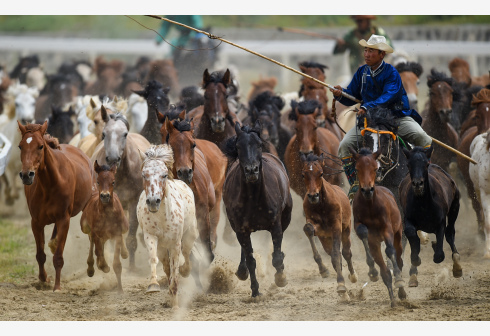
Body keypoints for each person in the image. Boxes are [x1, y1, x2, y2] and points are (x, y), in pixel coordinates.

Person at [330, 34, 432, 199]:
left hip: (396, 118)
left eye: (371, 51)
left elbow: (388, 96)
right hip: (369, 122)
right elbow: (352, 95)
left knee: (424, 139)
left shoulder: (392, 73)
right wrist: (340, 94)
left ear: (382, 55)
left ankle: (425, 180)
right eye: (366, 50)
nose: (367, 54)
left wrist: (366, 106)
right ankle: (356, 184)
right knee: (343, 147)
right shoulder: (361, 72)